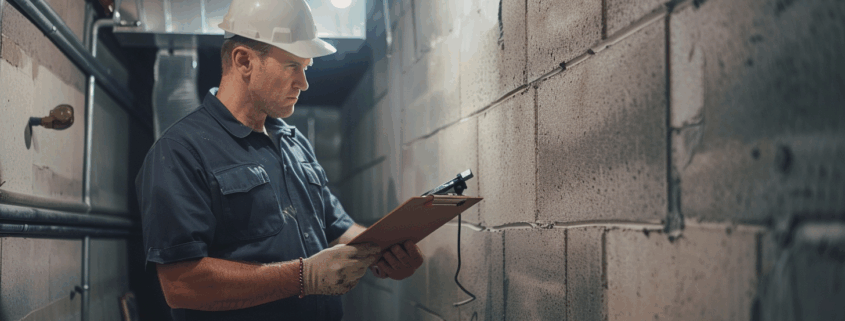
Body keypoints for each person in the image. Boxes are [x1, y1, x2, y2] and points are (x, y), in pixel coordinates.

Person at [134, 0, 424, 319]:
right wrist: (302, 277)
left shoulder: (294, 143)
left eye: (306, 68)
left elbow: (336, 226)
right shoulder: (180, 151)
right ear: (244, 61)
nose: (304, 83)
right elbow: (181, 285)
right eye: (292, 66)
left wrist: (385, 251)